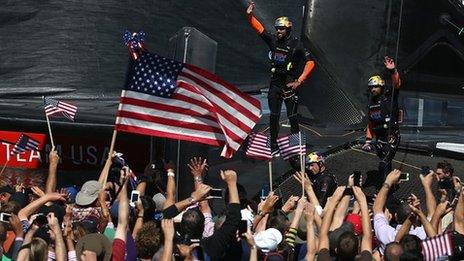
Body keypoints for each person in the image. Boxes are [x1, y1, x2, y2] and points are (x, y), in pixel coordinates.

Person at [246, 2, 315, 156]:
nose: (278, 31)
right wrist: (250, 15)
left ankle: (296, 148)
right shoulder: (273, 41)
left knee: (292, 117)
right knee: (274, 116)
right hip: (275, 85)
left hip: (289, 86)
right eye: (277, 29)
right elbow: (260, 30)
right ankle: (274, 145)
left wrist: (300, 80)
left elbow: (310, 62)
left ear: (288, 29)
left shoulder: (297, 45)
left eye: (282, 29)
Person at [362, 56, 402, 188]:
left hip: (391, 134)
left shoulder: (389, 96)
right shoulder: (371, 104)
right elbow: (370, 124)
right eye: (371, 87)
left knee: (384, 162)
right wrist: (368, 141)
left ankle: (383, 188)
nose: (373, 89)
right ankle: (392, 186)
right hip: (379, 137)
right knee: (385, 162)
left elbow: (396, 84)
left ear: (381, 86)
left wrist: (393, 70)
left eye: (375, 87)